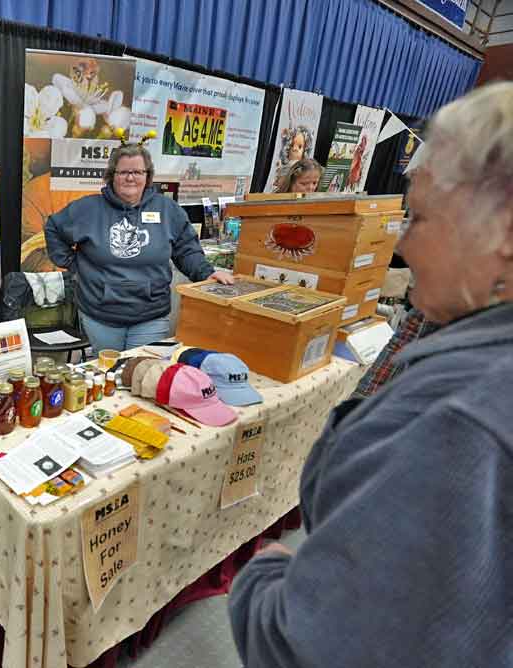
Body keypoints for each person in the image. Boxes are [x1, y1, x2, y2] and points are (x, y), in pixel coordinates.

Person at [228, 81, 513, 667]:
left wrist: (263, 575)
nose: (402, 244)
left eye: (422, 218)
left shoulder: (461, 414)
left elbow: (302, 647)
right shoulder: (469, 348)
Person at [44, 141, 233, 353]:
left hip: (150, 315)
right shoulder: (88, 208)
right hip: (101, 315)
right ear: (112, 175)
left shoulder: (167, 210)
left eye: (137, 171)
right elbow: (53, 227)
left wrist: (206, 273)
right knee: (107, 372)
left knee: (142, 372)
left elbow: (186, 249)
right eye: (123, 171)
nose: (130, 177)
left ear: (148, 175)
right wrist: (73, 264)